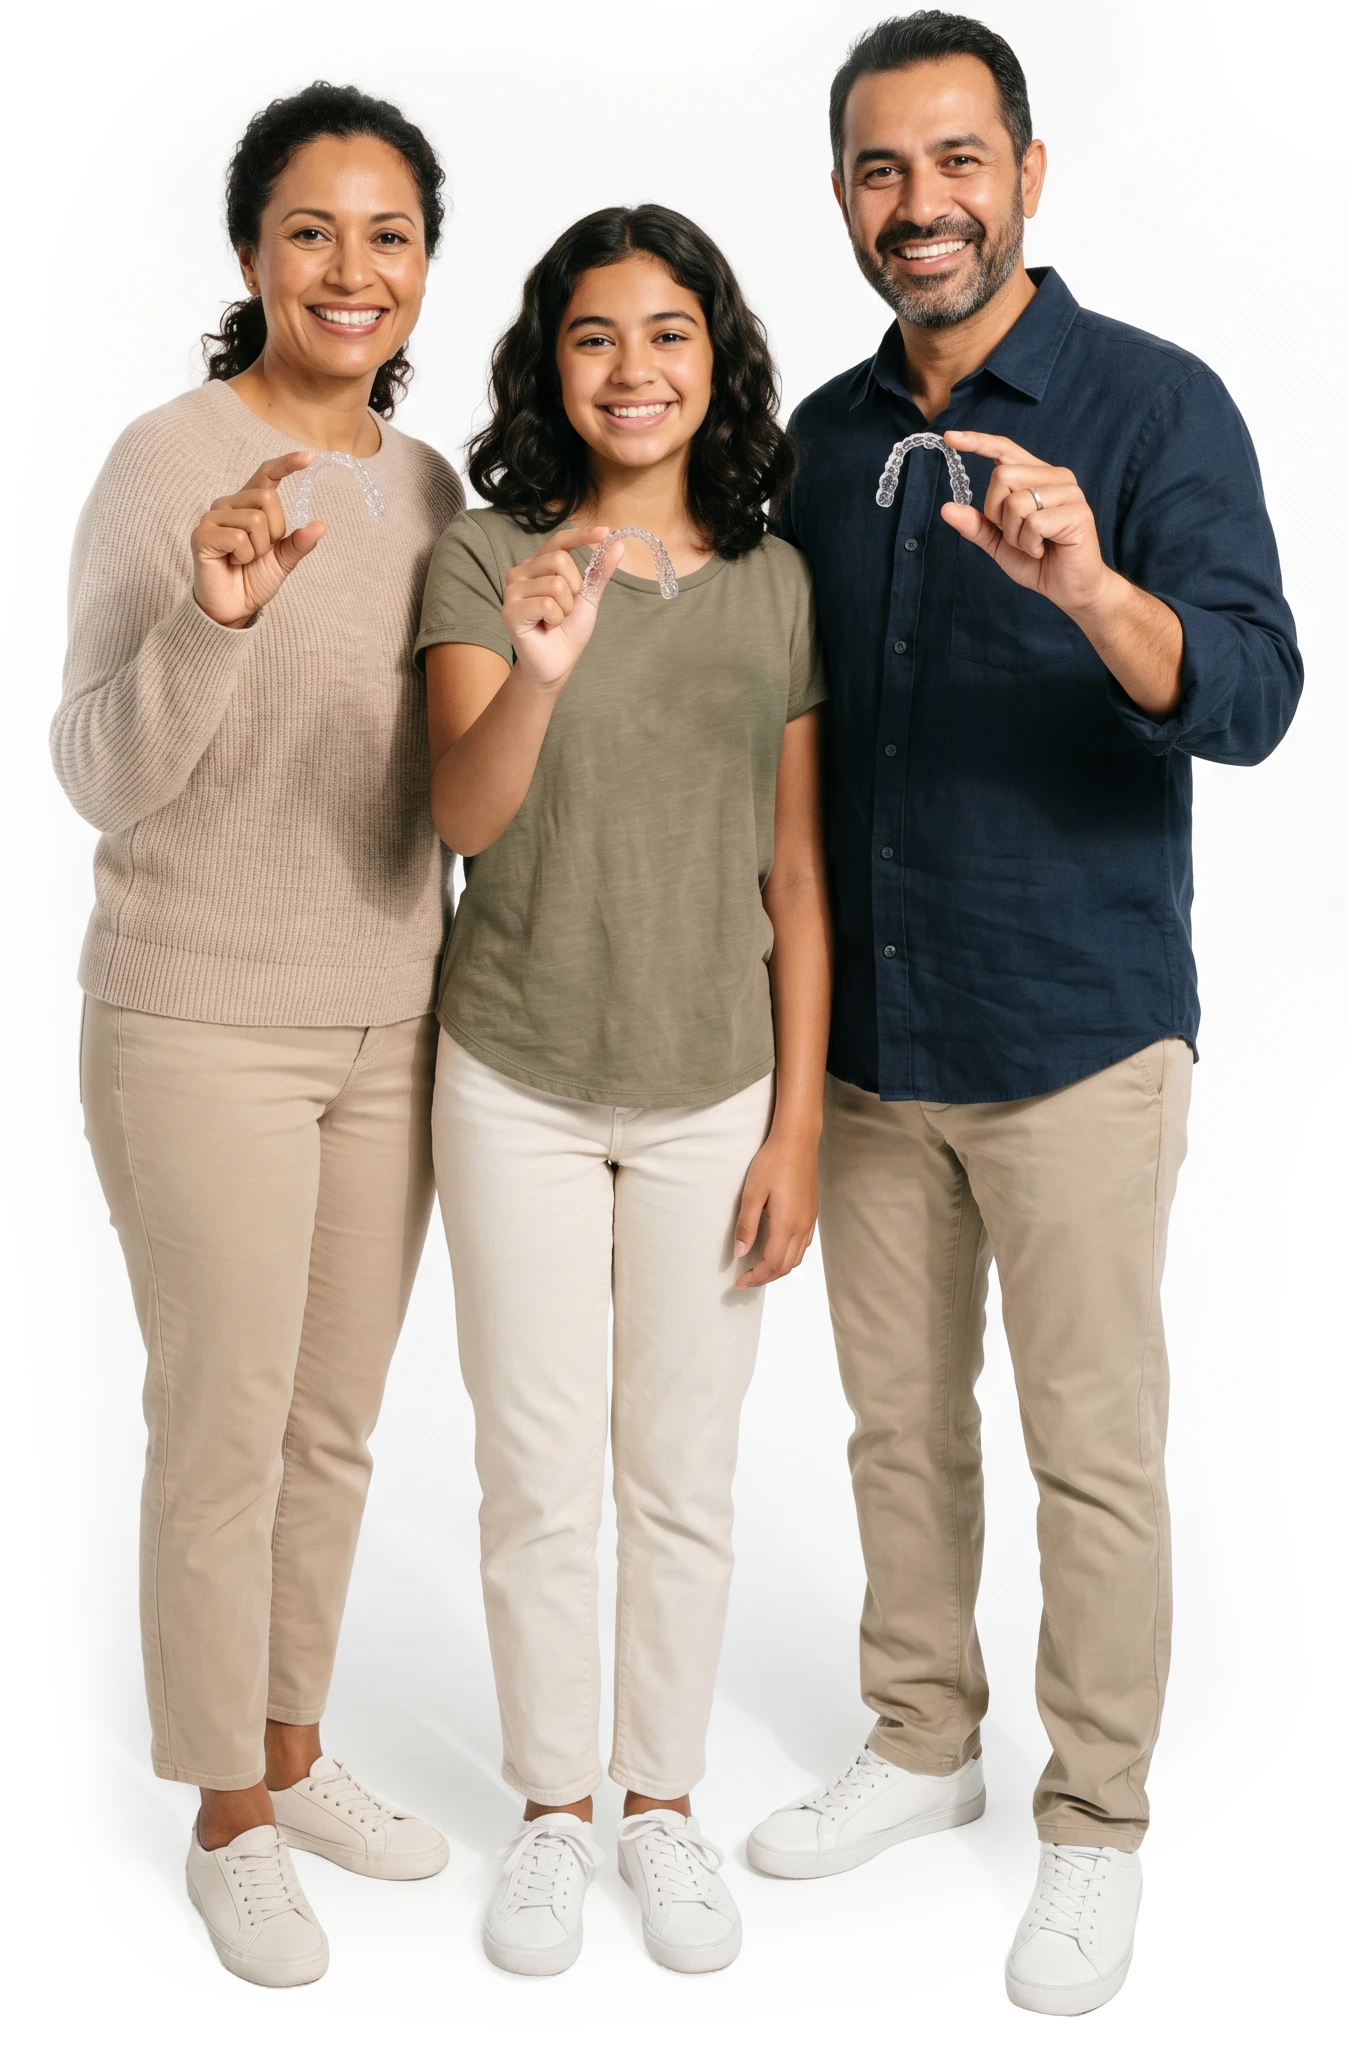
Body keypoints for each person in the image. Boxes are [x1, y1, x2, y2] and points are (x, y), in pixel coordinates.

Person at [745, 11, 1301, 2018]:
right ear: (842, 196)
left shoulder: (1155, 406)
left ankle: (1095, 1821)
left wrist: (1088, 590)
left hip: (1076, 1030)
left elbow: (1250, 695)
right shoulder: (816, 442)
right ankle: (922, 1738)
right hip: (874, 1044)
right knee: (897, 1428)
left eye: (957, 160)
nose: (923, 204)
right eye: (881, 169)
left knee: (1091, 1447)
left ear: (1028, 176)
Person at [52, 82, 463, 1987]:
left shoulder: (433, 489)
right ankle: (226, 1813)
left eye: (389, 234)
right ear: (251, 254)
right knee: (219, 1426)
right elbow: (95, 771)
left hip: (394, 1017)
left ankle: (292, 1749)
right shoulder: (167, 464)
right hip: (199, 1017)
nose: (351, 269)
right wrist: (210, 620)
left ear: (426, 263)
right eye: (313, 230)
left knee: (333, 1425)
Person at [418, 204, 831, 1977]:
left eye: (671, 333)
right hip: (511, 1071)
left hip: (712, 1088)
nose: (634, 368)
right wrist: (541, 668)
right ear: (552, 363)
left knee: (681, 1473)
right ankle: (551, 1813)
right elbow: (461, 815)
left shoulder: (778, 582)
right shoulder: (483, 555)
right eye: (596, 335)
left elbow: (794, 875)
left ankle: (659, 1804)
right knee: (533, 1472)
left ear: (717, 360)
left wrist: (797, 1124)